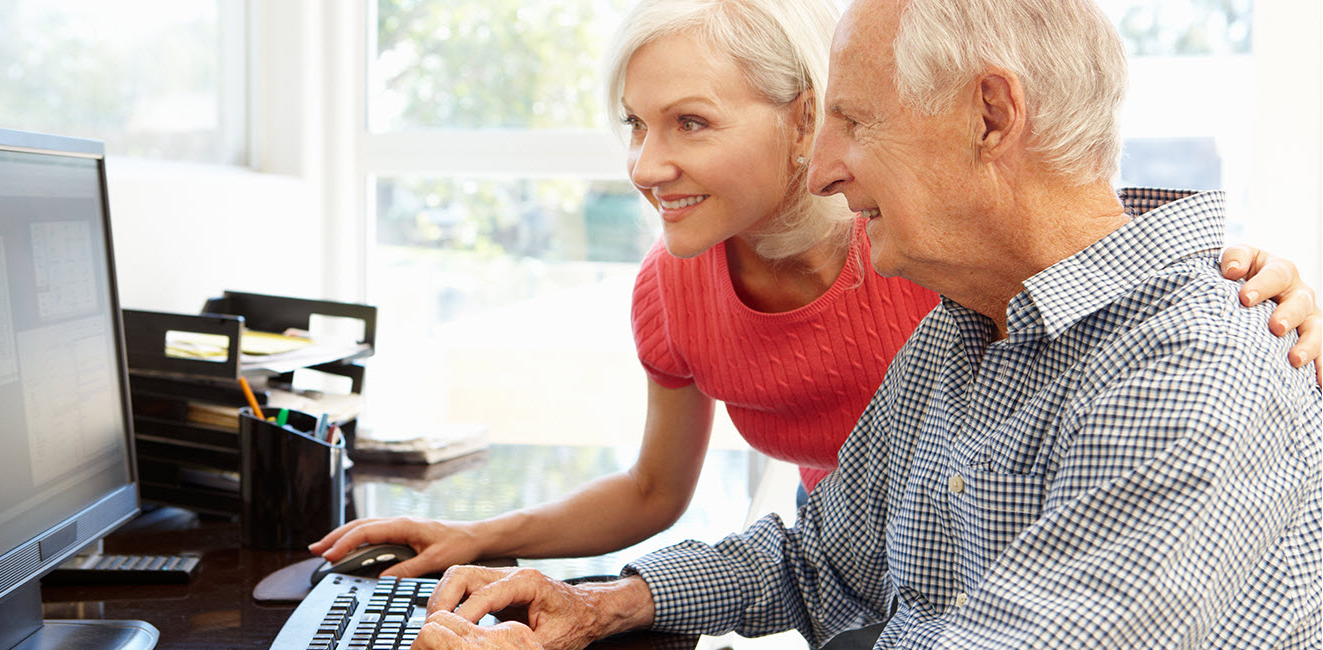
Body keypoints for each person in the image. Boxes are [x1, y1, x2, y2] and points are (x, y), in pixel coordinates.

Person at [407, 0, 1323, 648]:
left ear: (991, 117)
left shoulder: (1191, 367)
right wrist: (605, 604)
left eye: (853, 122)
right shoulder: (958, 332)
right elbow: (820, 562)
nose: (823, 172)